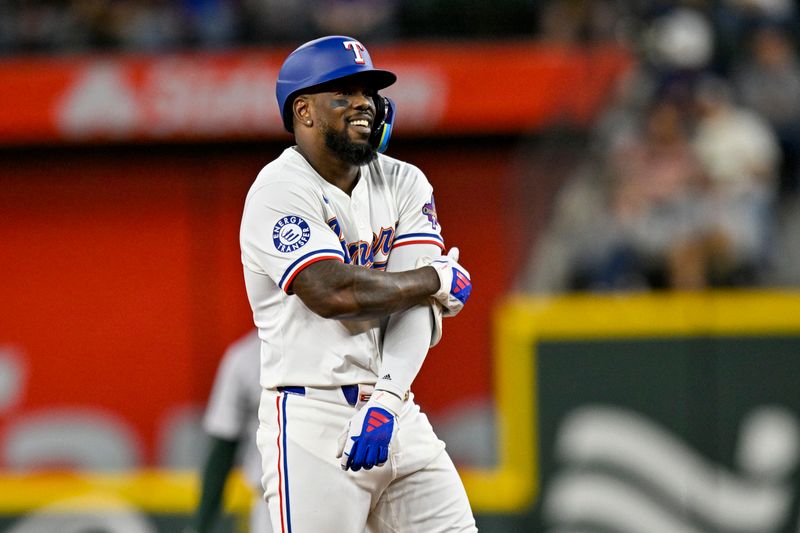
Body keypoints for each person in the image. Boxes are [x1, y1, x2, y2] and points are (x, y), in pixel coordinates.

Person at [239, 35, 476, 532]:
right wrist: (433, 277)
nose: (363, 103)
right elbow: (333, 293)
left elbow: (418, 308)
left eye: (368, 92)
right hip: (311, 417)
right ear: (303, 111)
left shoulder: (405, 181)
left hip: (395, 408)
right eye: (343, 92)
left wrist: (387, 404)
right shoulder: (279, 189)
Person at [186, 330, 272, 533]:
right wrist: (202, 526)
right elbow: (223, 448)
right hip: (272, 503)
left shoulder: (347, 343)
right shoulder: (247, 357)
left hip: (343, 490)